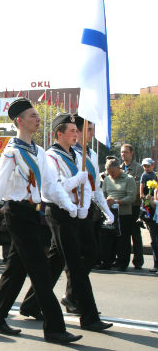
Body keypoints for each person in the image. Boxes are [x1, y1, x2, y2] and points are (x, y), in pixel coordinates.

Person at [0, 99, 82, 344]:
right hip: (17, 213)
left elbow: (50, 185)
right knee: (40, 271)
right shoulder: (12, 152)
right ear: (19, 121)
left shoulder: (39, 152)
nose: (37, 119)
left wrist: (67, 203)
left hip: (35, 214)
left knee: (16, 270)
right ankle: (55, 328)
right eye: (33, 116)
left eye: (37, 115)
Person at [18, 113, 112, 332]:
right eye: (73, 130)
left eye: (77, 131)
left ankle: (31, 303)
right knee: (75, 264)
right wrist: (72, 200)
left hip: (74, 212)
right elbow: (54, 187)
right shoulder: (52, 156)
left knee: (58, 260)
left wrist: (86, 207)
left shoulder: (77, 155)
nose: (76, 134)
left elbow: (89, 185)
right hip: (59, 211)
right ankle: (88, 316)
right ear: (59, 133)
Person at [60, 116, 115, 313]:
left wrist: (106, 211)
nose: (92, 133)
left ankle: (70, 296)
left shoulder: (90, 154)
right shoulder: (69, 153)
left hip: (87, 209)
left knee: (84, 254)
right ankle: (75, 298)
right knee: (76, 256)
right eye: (89, 129)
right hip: (70, 209)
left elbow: (95, 188)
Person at [100, 157, 137, 271]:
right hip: (109, 213)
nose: (111, 174)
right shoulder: (107, 179)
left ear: (118, 168)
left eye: (113, 172)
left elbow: (131, 197)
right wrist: (105, 201)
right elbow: (103, 194)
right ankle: (107, 261)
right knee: (107, 239)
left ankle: (122, 263)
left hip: (123, 213)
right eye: (109, 172)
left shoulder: (128, 179)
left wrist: (116, 202)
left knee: (123, 239)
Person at [120, 144, 145, 269]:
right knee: (124, 235)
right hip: (123, 207)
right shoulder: (119, 168)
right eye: (122, 152)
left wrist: (124, 193)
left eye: (126, 152)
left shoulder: (139, 169)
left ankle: (138, 261)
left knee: (135, 234)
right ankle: (123, 261)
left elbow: (137, 187)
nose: (123, 154)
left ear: (132, 153)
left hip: (134, 205)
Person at [139, 158, 158, 272]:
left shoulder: (154, 177)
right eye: (145, 166)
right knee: (155, 239)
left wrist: (153, 200)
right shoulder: (145, 176)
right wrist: (143, 195)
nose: (146, 168)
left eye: (148, 166)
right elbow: (141, 186)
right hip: (152, 212)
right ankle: (156, 264)